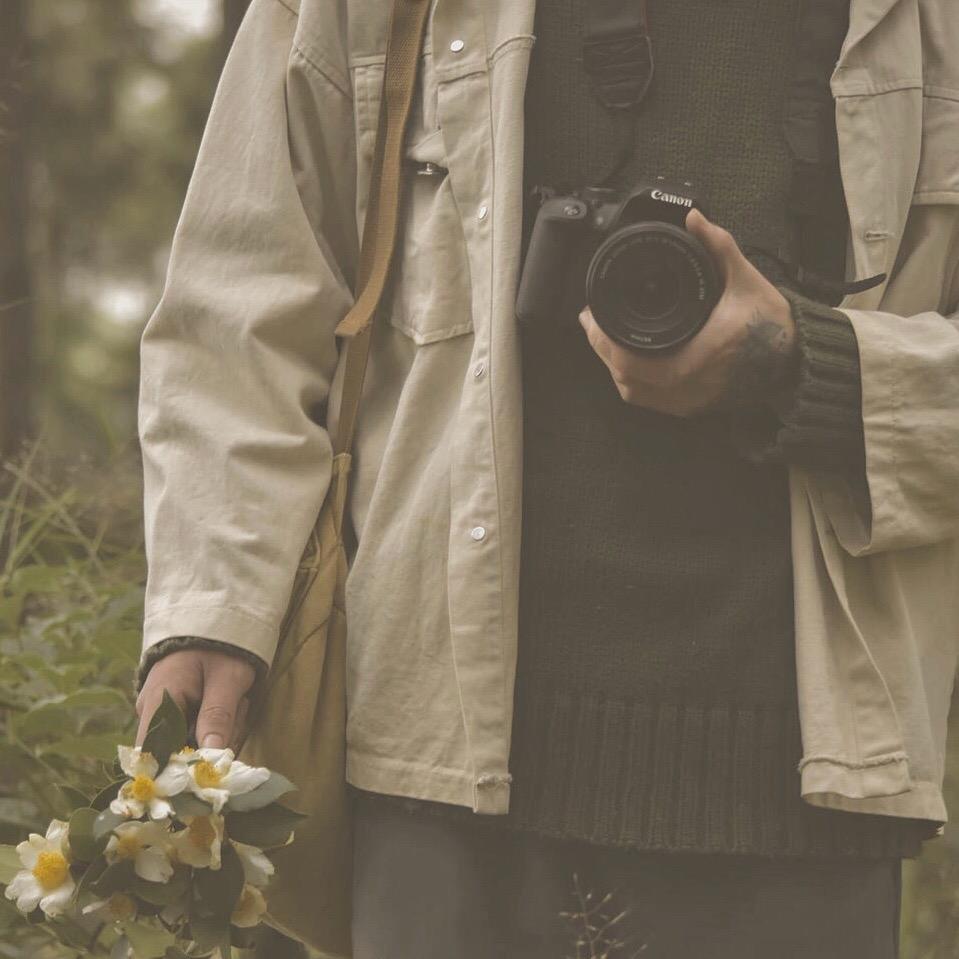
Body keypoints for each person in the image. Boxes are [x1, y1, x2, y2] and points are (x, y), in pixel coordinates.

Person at [133, 0, 959, 956]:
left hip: (810, 797)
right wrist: (212, 612)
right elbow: (236, 311)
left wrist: (799, 361)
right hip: (430, 771)